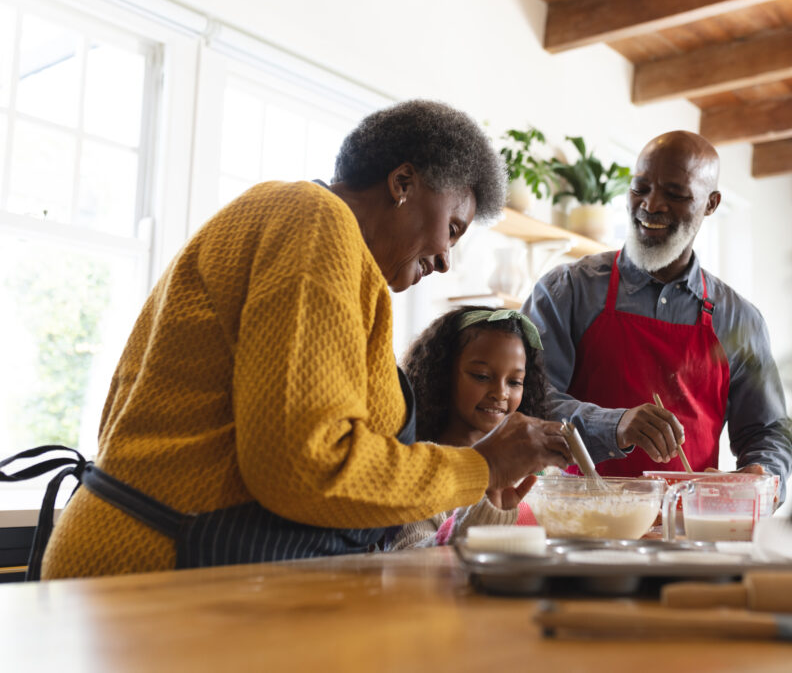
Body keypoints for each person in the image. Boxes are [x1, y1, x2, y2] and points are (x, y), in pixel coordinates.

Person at [2, 100, 571, 580]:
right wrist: (479, 467)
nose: (448, 260)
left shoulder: (332, 252)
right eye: (452, 227)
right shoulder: (314, 221)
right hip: (154, 574)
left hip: (185, 568)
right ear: (403, 183)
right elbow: (307, 464)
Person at [521, 130, 792, 497]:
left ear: (711, 204)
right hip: (579, 522)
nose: (651, 205)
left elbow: (768, 430)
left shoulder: (739, 320)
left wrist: (762, 476)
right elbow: (529, 403)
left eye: (675, 194)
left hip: (689, 532)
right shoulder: (567, 291)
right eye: (640, 188)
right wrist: (615, 425)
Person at [387, 306, 548, 550]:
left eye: (515, 382)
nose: (501, 393)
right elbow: (406, 559)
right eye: (482, 376)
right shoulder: (418, 469)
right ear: (443, 375)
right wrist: (484, 510)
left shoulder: (531, 475)